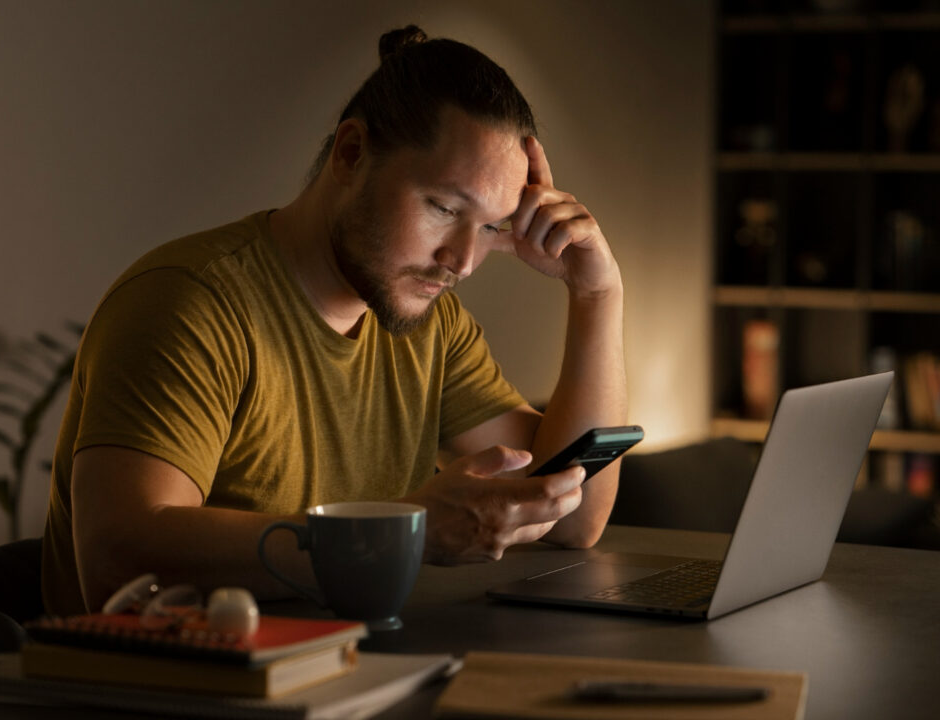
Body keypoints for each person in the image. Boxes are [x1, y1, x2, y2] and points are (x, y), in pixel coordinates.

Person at [41, 25, 627, 616]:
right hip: (169, 691)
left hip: (344, 675)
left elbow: (573, 517)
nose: (463, 262)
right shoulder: (189, 303)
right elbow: (116, 562)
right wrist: (407, 530)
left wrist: (597, 294)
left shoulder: (430, 325)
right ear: (351, 153)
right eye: (445, 208)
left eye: (492, 227)